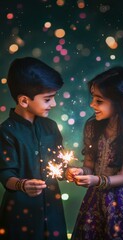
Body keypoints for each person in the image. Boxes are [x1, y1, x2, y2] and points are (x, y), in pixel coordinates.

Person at [0, 57, 67, 240]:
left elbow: (60, 166)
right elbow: (6, 175)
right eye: (48, 99)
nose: (53, 104)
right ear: (23, 101)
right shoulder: (6, 131)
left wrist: (71, 172)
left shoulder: (51, 127)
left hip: (53, 213)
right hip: (21, 217)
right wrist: (23, 185)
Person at [65, 66, 123, 240]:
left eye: (99, 101)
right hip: (94, 200)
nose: (92, 104)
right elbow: (89, 165)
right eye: (93, 98)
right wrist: (81, 172)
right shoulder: (92, 127)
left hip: (122, 201)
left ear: (120, 102)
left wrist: (96, 180)